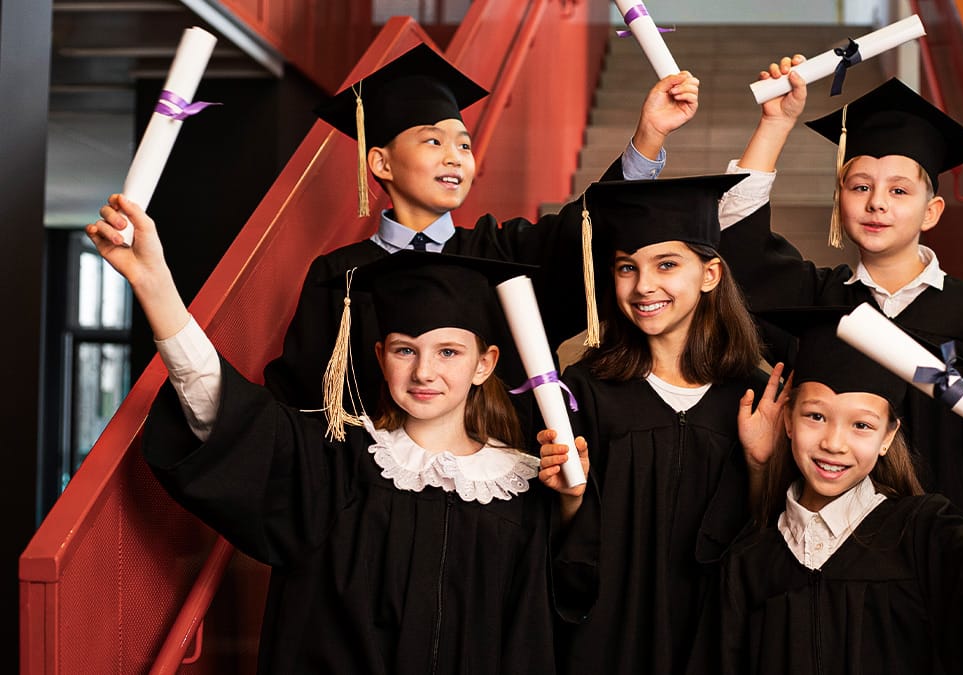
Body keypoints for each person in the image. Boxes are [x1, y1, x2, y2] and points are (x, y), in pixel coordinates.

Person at [87, 195, 557, 674]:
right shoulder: (334, 463)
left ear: (486, 364)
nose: (424, 372)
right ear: (379, 356)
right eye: (404, 350)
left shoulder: (522, 488)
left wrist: (577, 502)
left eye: (449, 353)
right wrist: (155, 286)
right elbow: (221, 409)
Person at [716, 61, 963, 545]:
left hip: (940, 550)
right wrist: (775, 123)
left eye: (899, 190)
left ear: (932, 212)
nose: (877, 203)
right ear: (839, 200)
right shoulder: (819, 302)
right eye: (860, 186)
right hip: (830, 554)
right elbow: (740, 248)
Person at [259, 42, 703, 417]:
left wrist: (649, 135)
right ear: (381, 163)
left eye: (464, 145)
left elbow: (582, 230)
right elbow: (304, 397)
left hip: (504, 486)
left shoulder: (504, 251)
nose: (455, 157)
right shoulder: (339, 276)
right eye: (434, 141)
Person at [722, 306, 963, 675]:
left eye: (861, 425)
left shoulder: (924, 533)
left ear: (887, 437)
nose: (834, 443)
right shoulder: (751, 562)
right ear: (787, 421)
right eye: (816, 416)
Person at [537, 174, 772, 675]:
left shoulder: (752, 395)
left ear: (710, 274)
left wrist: (758, 465)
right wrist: (570, 498)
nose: (644, 286)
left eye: (667, 264)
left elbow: (770, 538)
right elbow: (562, 556)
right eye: (627, 267)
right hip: (610, 642)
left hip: (721, 640)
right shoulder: (585, 391)